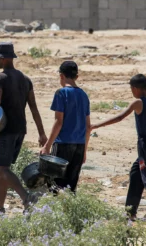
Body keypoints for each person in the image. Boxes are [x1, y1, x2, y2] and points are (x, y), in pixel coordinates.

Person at [91, 74, 146, 222]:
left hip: (145, 144)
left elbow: (119, 117)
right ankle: (130, 212)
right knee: (136, 173)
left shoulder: (138, 102)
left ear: (135, 88)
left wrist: (96, 125)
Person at [0, 42, 47, 214]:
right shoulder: (25, 80)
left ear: (4, 59)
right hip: (20, 129)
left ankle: (27, 199)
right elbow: (33, 107)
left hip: (6, 129)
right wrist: (41, 133)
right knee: (4, 168)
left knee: (3, 169)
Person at [40, 61, 90, 193]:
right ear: (76, 77)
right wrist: (84, 150)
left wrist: (47, 146)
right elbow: (88, 126)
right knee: (70, 187)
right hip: (79, 145)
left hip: (63, 144)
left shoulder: (61, 93)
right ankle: (69, 212)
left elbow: (58, 122)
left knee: (55, 185)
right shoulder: (84, 95)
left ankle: (55, 212)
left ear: (61, 76)